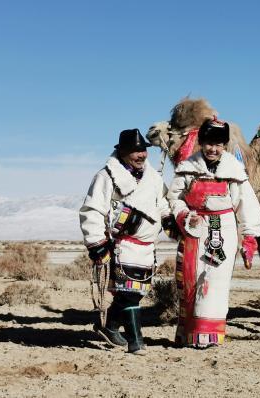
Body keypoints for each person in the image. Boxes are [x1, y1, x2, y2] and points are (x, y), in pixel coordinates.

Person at [167, 118, 260, 348]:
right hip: (194, 231)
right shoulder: (188, 168)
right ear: (201, 143)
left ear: (225, 146)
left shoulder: (233, 171)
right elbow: (174, 198)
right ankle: (190, 335)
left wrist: (249, 237)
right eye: (209, 143)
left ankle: (209, 336)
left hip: (224, 231)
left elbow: (246, 205)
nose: (213, 149)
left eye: (219, 144)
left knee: (216, 283)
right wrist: (183, 214)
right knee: (192, 281)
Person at [79, 128, 171, 355]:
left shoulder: (154, 178)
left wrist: (171, 222)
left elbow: (163, 205)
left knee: (135, 292)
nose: (141, 155)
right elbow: (92, 210)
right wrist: (97, 243)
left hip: (147, 246)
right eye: (134, 151)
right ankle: (136, 341)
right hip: (122, 245)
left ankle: (109, 326)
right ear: (121, 151)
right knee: (129, 292)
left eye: (143, 150)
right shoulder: (106, 176)